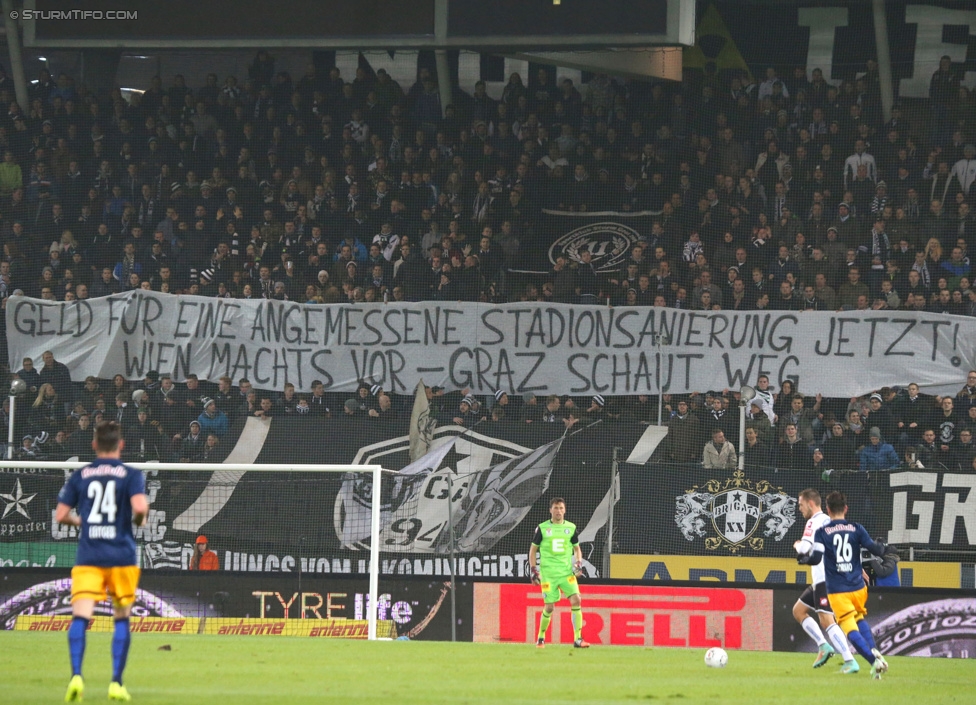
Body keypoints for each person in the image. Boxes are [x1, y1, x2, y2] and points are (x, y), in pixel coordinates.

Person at [55, 420, 149, 702]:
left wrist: (78, 521)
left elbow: (60, 515)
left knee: (80, 617)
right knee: (121, 618)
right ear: (120, 445)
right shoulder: (130, 474)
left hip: (89, 556)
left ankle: (76, 676)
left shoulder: (81, 475)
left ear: (94, 445)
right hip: (121, 556)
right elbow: (140, 509)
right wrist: (138, 520)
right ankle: (116, 683)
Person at [802, 491, 891, 680]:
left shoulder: (822, 532)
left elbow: (816, 557)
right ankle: (876, 652)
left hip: (838, 591)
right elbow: (875, 548)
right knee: (860, 619)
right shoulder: (856, 528)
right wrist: (885, 548)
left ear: (828, 509)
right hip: (859, 588)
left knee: (850, 629)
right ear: (846, 508)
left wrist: (804, 558)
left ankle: (873, 662)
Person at [791, 489, 857, 671]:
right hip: (834, 577)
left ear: (811, 503)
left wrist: (797, 545)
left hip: (825, 580)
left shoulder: (814, 522)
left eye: (801, 505)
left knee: (827, 620)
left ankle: (850, 660)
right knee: (798, 611)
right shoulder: (832, 522)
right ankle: (823, 646)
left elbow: (804, 549)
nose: (800, 509)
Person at [528, 497, 588, 649]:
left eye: (561, 508)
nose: (558, 511)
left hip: (566, 573)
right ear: (550, 510)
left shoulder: (571, 528)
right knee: (549, 607)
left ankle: (578, 639)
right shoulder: (542, 528)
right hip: (549, 574)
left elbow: (577, 548)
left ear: (565, 510)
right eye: (555, 508)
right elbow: (533, 550)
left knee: (577, 600)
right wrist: (534, 570)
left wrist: (578, 563)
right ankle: (541, 638)